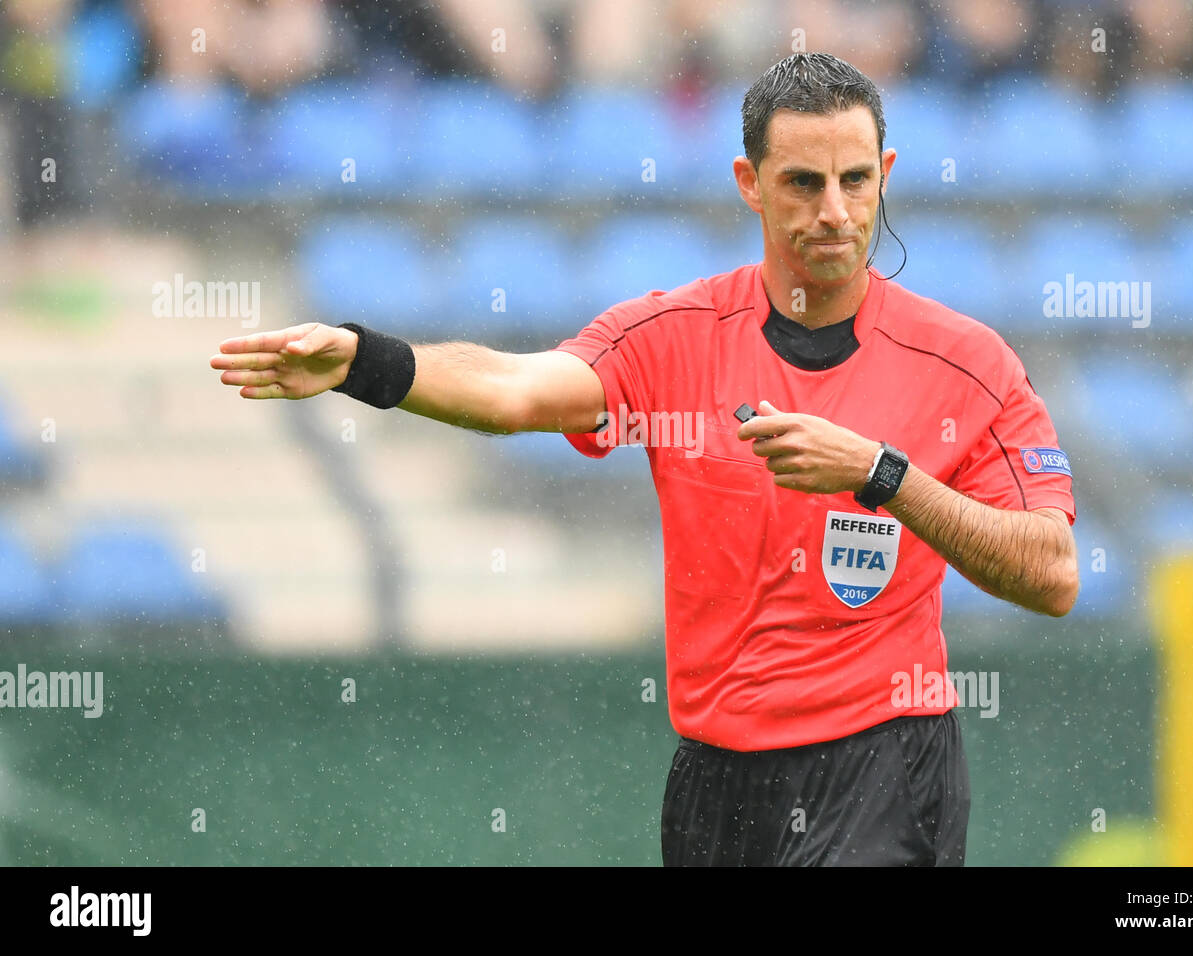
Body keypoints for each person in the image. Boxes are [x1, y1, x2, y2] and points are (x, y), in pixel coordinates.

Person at [210, 52, 1078, 866]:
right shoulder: (672, 337)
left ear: (887, 173)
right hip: (716, 778)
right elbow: (518, 391)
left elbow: (1052, 573)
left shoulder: (967, 363)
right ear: (750, 186)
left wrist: (883, 475)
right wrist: (367, 361)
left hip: (885, 761)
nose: (837, 212)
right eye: (804, 184)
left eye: (856, 181)